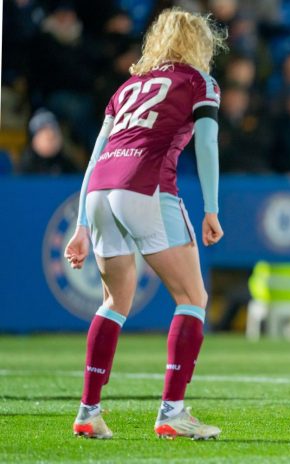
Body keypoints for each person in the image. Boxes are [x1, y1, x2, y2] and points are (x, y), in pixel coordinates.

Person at [63, 8, 227, 440]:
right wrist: (211, 207)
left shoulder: (127, 88)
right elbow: (207, 143)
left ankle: (88, 411)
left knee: (115, 300)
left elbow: (96, 155)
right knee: (192, 296)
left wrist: (82, 224)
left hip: (99, 190)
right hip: (147, 186)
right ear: (200, 43)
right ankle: (172, 412)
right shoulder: (199, 82)